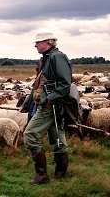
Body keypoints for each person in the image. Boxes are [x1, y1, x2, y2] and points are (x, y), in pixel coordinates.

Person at [20, 32, 72, 184]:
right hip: (49, 102)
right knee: (57, 137)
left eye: (38, 42)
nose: (35, 45)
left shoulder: (57, 57)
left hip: (51, 104)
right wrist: (28, 103)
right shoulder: (46, 58)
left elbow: (65, 83)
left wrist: (50, 99)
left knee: (29, 134)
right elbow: (38, 84)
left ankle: (41, 175)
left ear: (48, 42)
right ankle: (60, 173)